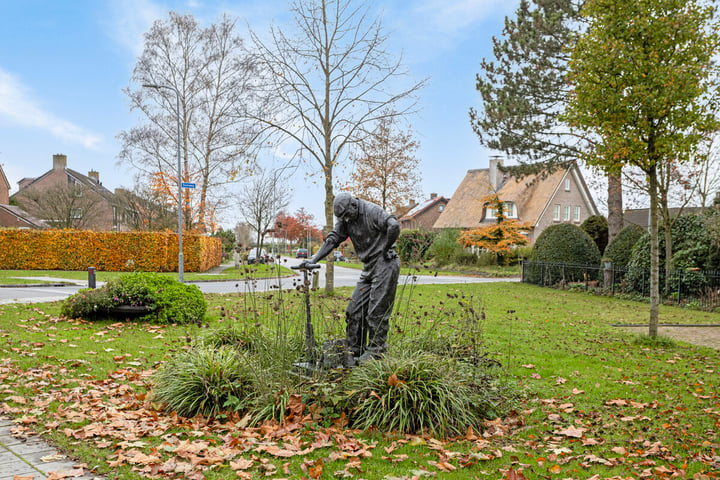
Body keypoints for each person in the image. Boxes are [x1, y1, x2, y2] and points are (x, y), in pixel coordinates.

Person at [301, 192, 400, 364]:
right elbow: (333, 240)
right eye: (343, 217)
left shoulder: (372, 211)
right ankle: (354, 351)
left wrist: (386, 248)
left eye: (347, 215)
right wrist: (313, 259)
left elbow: (394, 225)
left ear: (354, 205)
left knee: (376, 312)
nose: (346, 220)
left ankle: (376, 352)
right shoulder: (347, 218)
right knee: (354, 310)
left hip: (385, 264)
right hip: (368, 267)